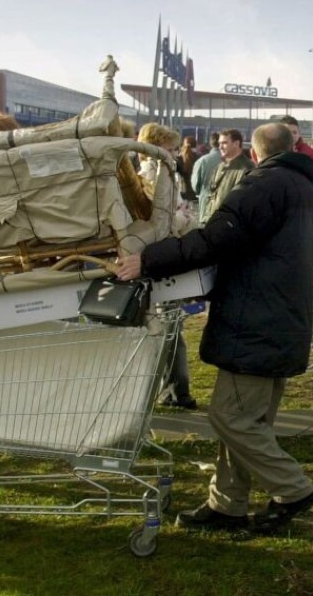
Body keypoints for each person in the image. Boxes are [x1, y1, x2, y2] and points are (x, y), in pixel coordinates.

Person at [116, 121, 313, 533]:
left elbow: (215, 238)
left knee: (232, 418)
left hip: (257, 316)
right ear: (293, 147)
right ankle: (227, 504)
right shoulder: (306, 188)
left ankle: (294, 489)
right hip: (280, 314)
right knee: (248, 418)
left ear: (256, 150)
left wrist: (149, 260)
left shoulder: (263, 185)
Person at [136, 122, 198, 410]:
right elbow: (163, 222)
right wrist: (185, 218)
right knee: (169, 330)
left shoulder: (157, 174)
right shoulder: (154, 176)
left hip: (159, 260)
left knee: (167, 329)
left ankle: (172, 390)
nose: (174, 154)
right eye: (170, 149)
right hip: (162, 260)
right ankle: (174, 390)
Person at [203, 129, 255, 219]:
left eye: (224, 143)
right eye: (219, 143)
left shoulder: (247, 168)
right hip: (213, 221)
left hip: (231, 225)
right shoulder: (220, 167)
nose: (220, 147)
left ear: (236, 144)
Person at [273, 116, 313, 192]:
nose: (291, 136)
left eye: (294, 132)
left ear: (299, 134)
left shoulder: (309, 155)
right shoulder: (272, 151)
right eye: (287, 133)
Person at [190, 132, 223, 223]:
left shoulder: (202, 161)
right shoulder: (231, 160)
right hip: (225, 205)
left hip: (206, 203)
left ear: (210, 143)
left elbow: (195, 185)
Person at [176, 135, 198, 201]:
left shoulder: (178, 159)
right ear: (195, 145)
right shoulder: (200, 158)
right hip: (195, 193)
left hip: (182, 192)